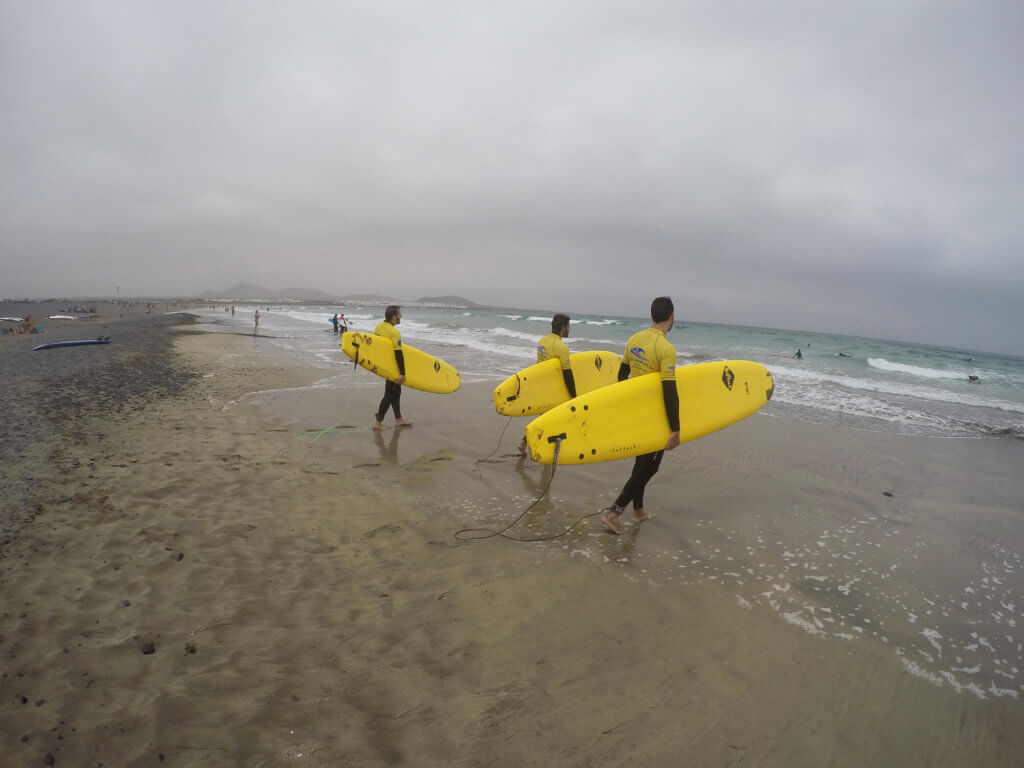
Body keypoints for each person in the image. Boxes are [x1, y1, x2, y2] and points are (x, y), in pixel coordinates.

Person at [600, 297, 680, 535]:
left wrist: (625, 406)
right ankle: (614, 512)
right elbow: (669, 390)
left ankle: (638, 511)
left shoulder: (634, 339)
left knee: (641, 464)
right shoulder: (666, 349)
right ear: (672, 317)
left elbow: (622, 375)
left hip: (636, 412)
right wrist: (674, 428)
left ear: (652, 315)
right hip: (654, 418)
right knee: (649, 468)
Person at [518, 313, 576, 454]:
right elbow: (567, 373)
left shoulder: (542, 341)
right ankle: (532, 444)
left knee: (545, 417)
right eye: (568, 326)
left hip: (540, 385)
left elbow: (539, 365)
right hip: (553, 389)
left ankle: (525, 443)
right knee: (549, 419)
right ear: (563, 328)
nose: (569, 329)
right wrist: (574, 395)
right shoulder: (561, 347)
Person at [372, 305, 413, 430]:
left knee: (396, 392)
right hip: (392, 367)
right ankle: (378, 422)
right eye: (399, 314)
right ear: (394, 316)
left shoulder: (378, 327)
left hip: (383, 365)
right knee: (389, 394)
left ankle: (399, 419)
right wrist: (402, 373)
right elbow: (398, 353)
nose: (401, 316)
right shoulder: (394, 332)